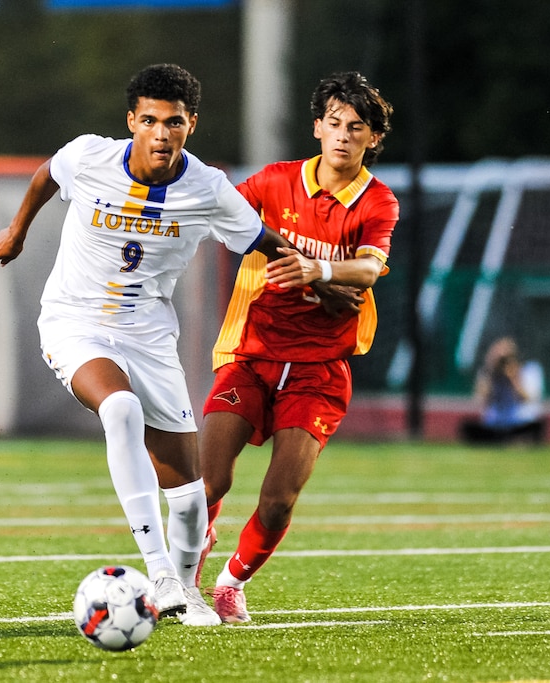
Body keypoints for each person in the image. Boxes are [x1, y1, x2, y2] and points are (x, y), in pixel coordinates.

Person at [0, 64, 318, 627]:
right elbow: (48, 174)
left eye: (173, 122)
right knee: (120, 408)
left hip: (149, 337)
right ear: (131, 121)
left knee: (190, 496)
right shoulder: (90, 156)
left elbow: (261, 240)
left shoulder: (208, 188)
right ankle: (160, 572)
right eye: (149, 121)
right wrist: (18, 230)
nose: (161, 134)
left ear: (191, 125)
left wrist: (320, 278)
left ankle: (188, 590)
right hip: (75, 322)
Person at [195, 71, 399, 623]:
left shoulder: (378, 202)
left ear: (373, 139)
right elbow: (221, 216)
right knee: (209, 481)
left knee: (279, 499)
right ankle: (187, 563)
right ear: (317, 127)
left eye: (356, 127)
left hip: (319, 369)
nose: (343, 135)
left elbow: (368, 270)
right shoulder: (276, 181)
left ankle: (232, 582)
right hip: (251, 353)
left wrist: (319, 270)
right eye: (335, 123)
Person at [459, 337, 547, 445]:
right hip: (496, 424)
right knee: (468, 427)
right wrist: (491, 373)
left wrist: (514, 378)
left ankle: (512, 439)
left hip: (522, 422)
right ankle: (509, 440)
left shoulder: (530, 370)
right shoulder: (488, 373)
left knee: (536, 427)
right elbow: (482, 399)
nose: (504, 363)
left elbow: (529, 400)